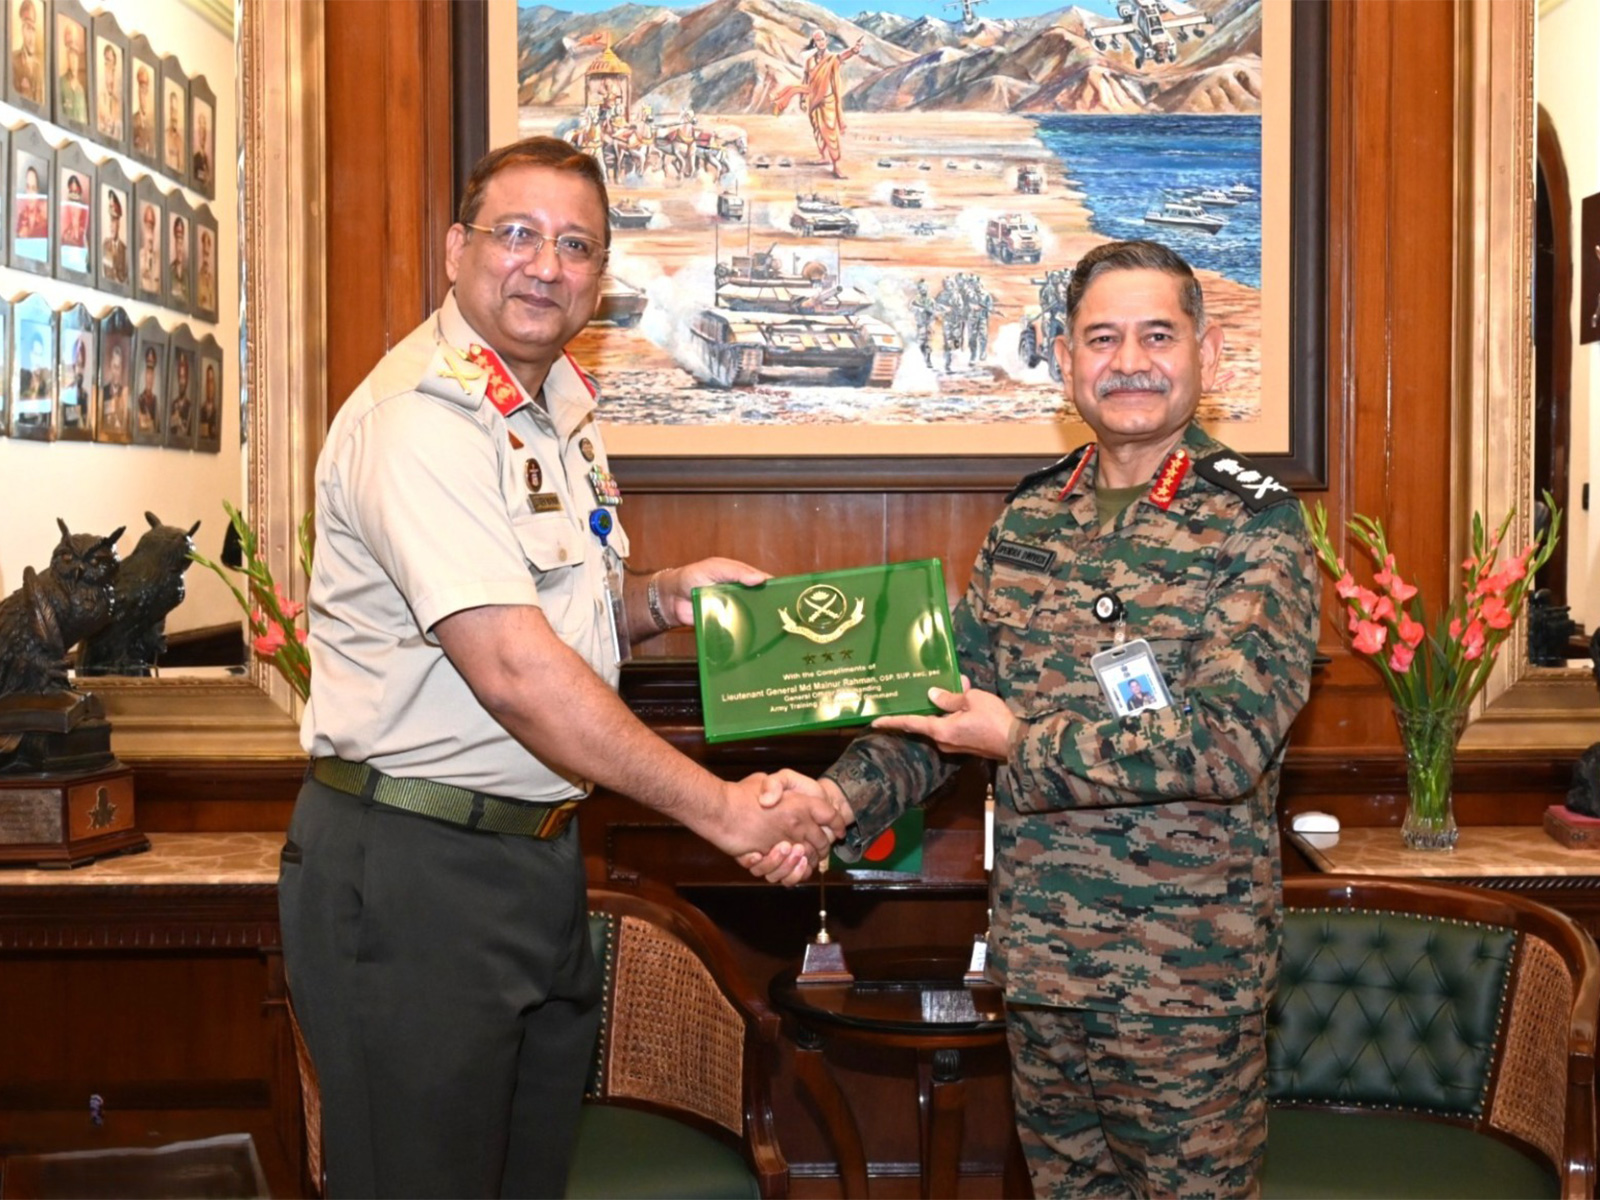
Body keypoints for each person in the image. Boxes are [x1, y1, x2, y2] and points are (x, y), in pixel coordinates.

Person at [279, 136, 838, 1200]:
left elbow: (557, 630)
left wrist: (663, 600)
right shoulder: (422, 421)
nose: (544, 264)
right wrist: (722, 811)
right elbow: (514, 673)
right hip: (416, 869)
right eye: (517, 234)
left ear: (600, 274)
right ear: (457, 250)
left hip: (532, 859)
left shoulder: (553, 413)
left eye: (574, 245)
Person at [750, 239, 1320, 1198]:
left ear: (1207, 356)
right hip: (1045, 971)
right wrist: (832, 800)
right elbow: (941, 706)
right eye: (1102, 338)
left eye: (1156, 336)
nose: (1128, 362)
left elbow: (1227, 743)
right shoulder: (1030, 520)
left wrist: (1021, 743)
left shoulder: (1252, 526)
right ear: (1065, 360)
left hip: (1183, 988)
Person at [769, 29, 862, 179]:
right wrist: (802, 99)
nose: (821, 42)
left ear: (826, 41)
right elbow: (806, 81)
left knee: (830, 132)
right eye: (818, 40)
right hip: (813, 99)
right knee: (818, 129)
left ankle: (836, 165)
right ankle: (823, 157)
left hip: (828, 100)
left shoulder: (831, 58)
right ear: (814, 42)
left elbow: (842, 56)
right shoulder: (809, 61)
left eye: (823, 39)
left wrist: (854, 50)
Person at [11, 0, 43, 105]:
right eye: (27, 28)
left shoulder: (39, 68)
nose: (31, 36)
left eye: (33, 29)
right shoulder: (13, 60)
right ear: (22, 31)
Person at [57, 21, 87, 123]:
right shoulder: (60, 83)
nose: (74, 61)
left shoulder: (80, 90)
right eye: (71, 56)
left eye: (76, 57)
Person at [100, 340, 129, 438]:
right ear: (111, 368)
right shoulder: (103, 392)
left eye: (119, 367)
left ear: (122, 369)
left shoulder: (125, 394)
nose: (116, 372)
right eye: (114, 367)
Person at [96, 42, 122, 140]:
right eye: (108, 64)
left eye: (113, 69)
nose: (111, 75)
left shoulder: (117, 104)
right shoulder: (99, 101)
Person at [101, 190, 127, 284]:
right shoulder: (105, 245)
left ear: (119, 223)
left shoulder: (125, 250)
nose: (111, 226)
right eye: (110, 221)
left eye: (114, 221)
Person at [134, 344, 160, 435]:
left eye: (151, 375)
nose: (149, 379)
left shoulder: (155, 400)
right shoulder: (139, 399)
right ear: (145, 376)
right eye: (148, 374)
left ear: (154, 378)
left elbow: (157, 428)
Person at [132, 63, 154, 156]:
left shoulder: (153, 125)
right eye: (141, 89)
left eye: (146, 90)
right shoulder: (132, 121)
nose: (143, 95)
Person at [138, 203, 159, 292]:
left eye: (152, 229)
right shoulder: (139, 258)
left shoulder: (158, 260)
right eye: (148, 228)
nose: (150, 237)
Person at [168, 214, 187, 298]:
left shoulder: (187, 275)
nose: (179, 249)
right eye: (177, 242)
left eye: (181, 242)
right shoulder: (169, 272)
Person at [192, 108, 211, 188]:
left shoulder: (206, 158)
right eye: (201, 129)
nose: (203, 134)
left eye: (204, 130)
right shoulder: (195, 158)